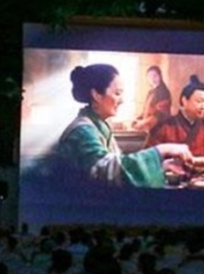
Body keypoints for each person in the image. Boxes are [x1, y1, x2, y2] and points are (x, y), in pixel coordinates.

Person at [55, 63, 194, 187]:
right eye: (117, 93)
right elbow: (109, 172)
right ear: (96, 95)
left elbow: (118, 163)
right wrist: (162, 149)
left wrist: (161, 165)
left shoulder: (99, 126)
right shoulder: (82, 131)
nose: (121, 100)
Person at [144, 74, 204, 163]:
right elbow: (148, 158)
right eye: (199, 101)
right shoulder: (163, 127)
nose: (203, 107)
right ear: (184, 100)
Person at [131, 65, 172, 133]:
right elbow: (146, 111)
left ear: (160, 76)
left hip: (160, 129)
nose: (153, 79)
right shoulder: (150, 92)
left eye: (155, 76)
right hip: (150, 129)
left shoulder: (164, 92)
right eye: (150, 76)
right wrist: (138, 119)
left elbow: (160, 115)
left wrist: (143, 122)